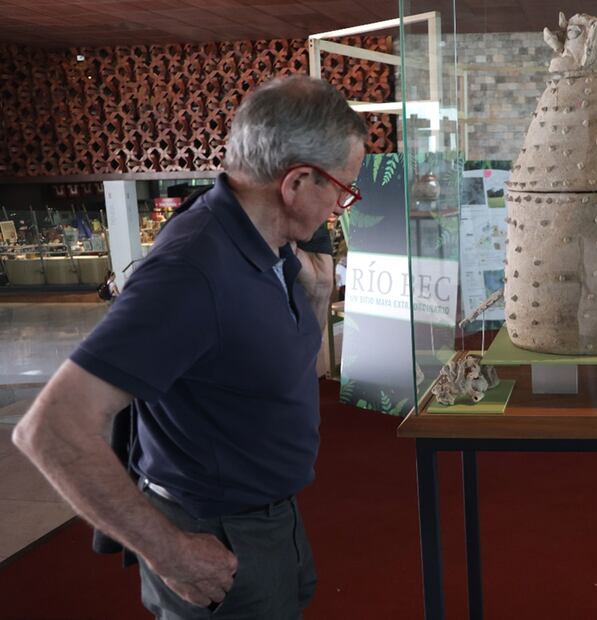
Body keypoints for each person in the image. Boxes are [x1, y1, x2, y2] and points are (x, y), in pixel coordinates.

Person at [13, 75, 367, 619]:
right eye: (343, 190)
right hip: (217, 532)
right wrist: (168, 551)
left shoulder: (267, 242)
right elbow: (51, 428)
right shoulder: (193, 271)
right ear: (296, 182)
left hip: (271, 520)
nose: (340, 207)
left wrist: (314, 295)